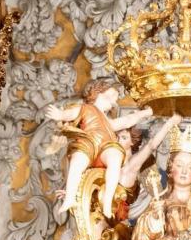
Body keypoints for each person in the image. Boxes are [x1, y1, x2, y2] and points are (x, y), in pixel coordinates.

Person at [44, 79, 154, 220]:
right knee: (78, 162)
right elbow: (69, 114)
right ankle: (70, 197)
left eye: (114, 100)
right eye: (110, 98)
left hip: (105, 147)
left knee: (115, 158)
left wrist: (144, 113)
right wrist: (60, 115)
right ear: (97, 93)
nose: (113, 103)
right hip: (88, 143)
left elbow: (126, 121)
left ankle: (107, 201)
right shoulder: (85, 108)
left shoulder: (108, 121)